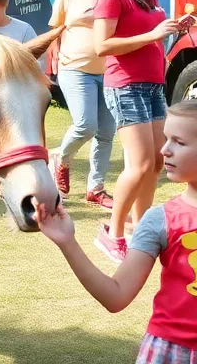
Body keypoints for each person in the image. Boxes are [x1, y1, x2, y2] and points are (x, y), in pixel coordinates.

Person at [38, 99, 197, 363]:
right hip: (170, 353)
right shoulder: (160, 220)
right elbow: (116, 296)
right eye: (166, 139)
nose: (164, 150)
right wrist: (67, 241)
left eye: (179, 142)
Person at [92, 0, 191, 264]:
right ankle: (113, 233)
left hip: (151, 83)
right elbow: (102, 45)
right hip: (125, 84)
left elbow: (147, 32)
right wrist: (153, 33)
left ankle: (139, 229)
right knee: (142, 163)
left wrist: (174, 26)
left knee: (158, 161)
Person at [49, 0, 117, 209]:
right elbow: (55, 29)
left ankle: (96, 188)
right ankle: (62, 160)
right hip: (75, 69)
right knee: (86, 125)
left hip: (108, 72)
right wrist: (52, 54)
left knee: (107, 133)